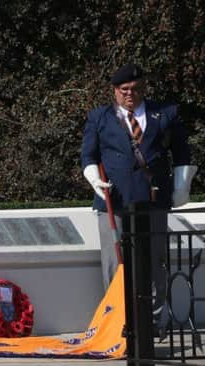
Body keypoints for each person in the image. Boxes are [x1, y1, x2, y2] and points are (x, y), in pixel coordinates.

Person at [81, 63, 197, 329]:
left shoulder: (164, 114)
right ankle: (117, 321)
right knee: (115, 263)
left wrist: (181, 187)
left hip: (153, 200)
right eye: (124, 90)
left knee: (156, 261)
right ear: (115, 91)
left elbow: (182, 153)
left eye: (134, 89)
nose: (130, 94)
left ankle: (154, 321)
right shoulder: (100, 117)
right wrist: (92, 177)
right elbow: (88, 154)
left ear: (143, 87)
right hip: (115, 200)